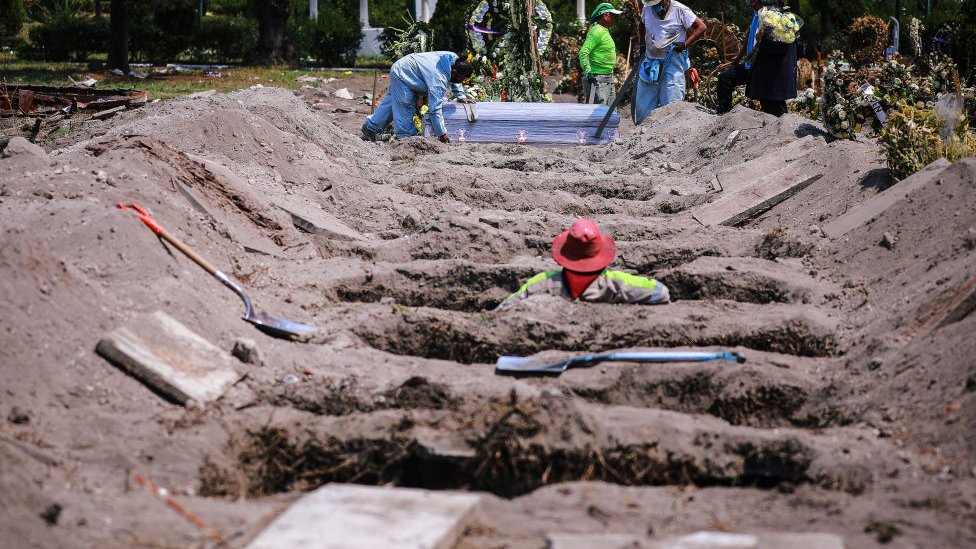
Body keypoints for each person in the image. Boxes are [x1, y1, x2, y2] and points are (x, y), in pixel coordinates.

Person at [498, 219, 670, 309]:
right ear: (600, 255)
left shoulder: (542, 283)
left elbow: (505, 308)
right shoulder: (617, 283)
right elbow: (661, 293)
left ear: (564, 253)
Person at [362, 51, 474, 143]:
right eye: (461, 79)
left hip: (407, 67)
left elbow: (455, 79)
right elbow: (435, 110)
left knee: (391, 103)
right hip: (403, 73)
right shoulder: (438, 78)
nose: (461, 82)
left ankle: (371, 127)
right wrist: (442, 133)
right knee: (405, 104)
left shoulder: (454, 60)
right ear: (454, 72)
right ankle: (407, 139)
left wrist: (461, 96)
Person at [633, 0, 706, 125]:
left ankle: (671, 131)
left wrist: (685, 44)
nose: (655, 8)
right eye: (653, 6)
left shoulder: (680, 10)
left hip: (672, 61)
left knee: (672, 101)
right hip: (651, 61)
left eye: (657, 5)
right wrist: (642, 45)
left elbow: (701, 27)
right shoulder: (647, 9)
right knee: (644, 103)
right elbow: (642, 24)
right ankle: (642, 129)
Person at [745, 0, 801, 117]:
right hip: (776, 78)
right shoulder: (786, 19)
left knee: (774, 109)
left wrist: (761, 40)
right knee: (777, 106)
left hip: (772, 78)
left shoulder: (771, 18)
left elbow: (774, 47)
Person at [715, 0, 762, 114]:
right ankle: (724, 110)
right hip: (749, 64)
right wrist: (738, 58)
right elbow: (748, 39)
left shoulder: (766, 16)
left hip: (759, 66)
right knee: (724, 78)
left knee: (763, 96)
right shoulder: (755, 15)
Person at [579, 2, 624, 106]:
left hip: (607, 78)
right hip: (597, 80)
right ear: (605, 16)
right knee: (598, 114)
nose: (615, 19)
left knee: (610, 114)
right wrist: (588, 72)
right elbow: (583, 53)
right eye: (614, 16)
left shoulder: (604, 30)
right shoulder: (597, 31)